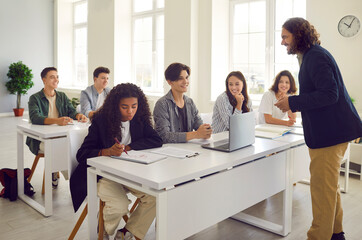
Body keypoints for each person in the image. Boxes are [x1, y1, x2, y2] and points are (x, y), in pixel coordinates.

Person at [275, 17, 362, 240]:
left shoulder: (315, 57)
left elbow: (329, 94)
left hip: (330, 135)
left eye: (285, 36)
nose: (283, 41)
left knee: (321, 190)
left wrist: (292, 102)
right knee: (328, 187)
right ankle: (335, 233)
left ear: (298, 35)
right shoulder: (312, 55)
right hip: (332, 133)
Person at [70, 83, 163, 240]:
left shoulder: (139, 119)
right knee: (119, 206)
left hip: (127, 173)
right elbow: (82, 154)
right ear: (115, 106)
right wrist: (106, 151)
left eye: (134, 106)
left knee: (154, 198)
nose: (130, 111)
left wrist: (129, 146)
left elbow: (156, 139)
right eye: (125, 107)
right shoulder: (101, 121)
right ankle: (104, 231)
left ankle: (125, 233)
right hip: (101, 175)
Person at [27, 67, 88, 187]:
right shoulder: (35, 98)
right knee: (60, 148)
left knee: (75, 146)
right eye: (52, 77)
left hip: (60, 135)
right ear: (44, 80)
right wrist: (57, 121)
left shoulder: (62, 96)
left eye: (57, 76)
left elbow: (71, 111)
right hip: (41, 139)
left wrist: (78, 115)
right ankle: (74, 180)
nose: (56, 79)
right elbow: (35, 118)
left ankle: (70, 176)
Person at [153, 62, 212, 143]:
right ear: (170, 82)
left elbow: (199, 126)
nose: (185, 82)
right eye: (180, 78)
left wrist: (206, 131)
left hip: (187, 149)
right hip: (170, 150)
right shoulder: (162, 104)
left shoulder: (189, 102)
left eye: (187, 78)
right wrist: (196, 134)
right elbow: (164, 136)